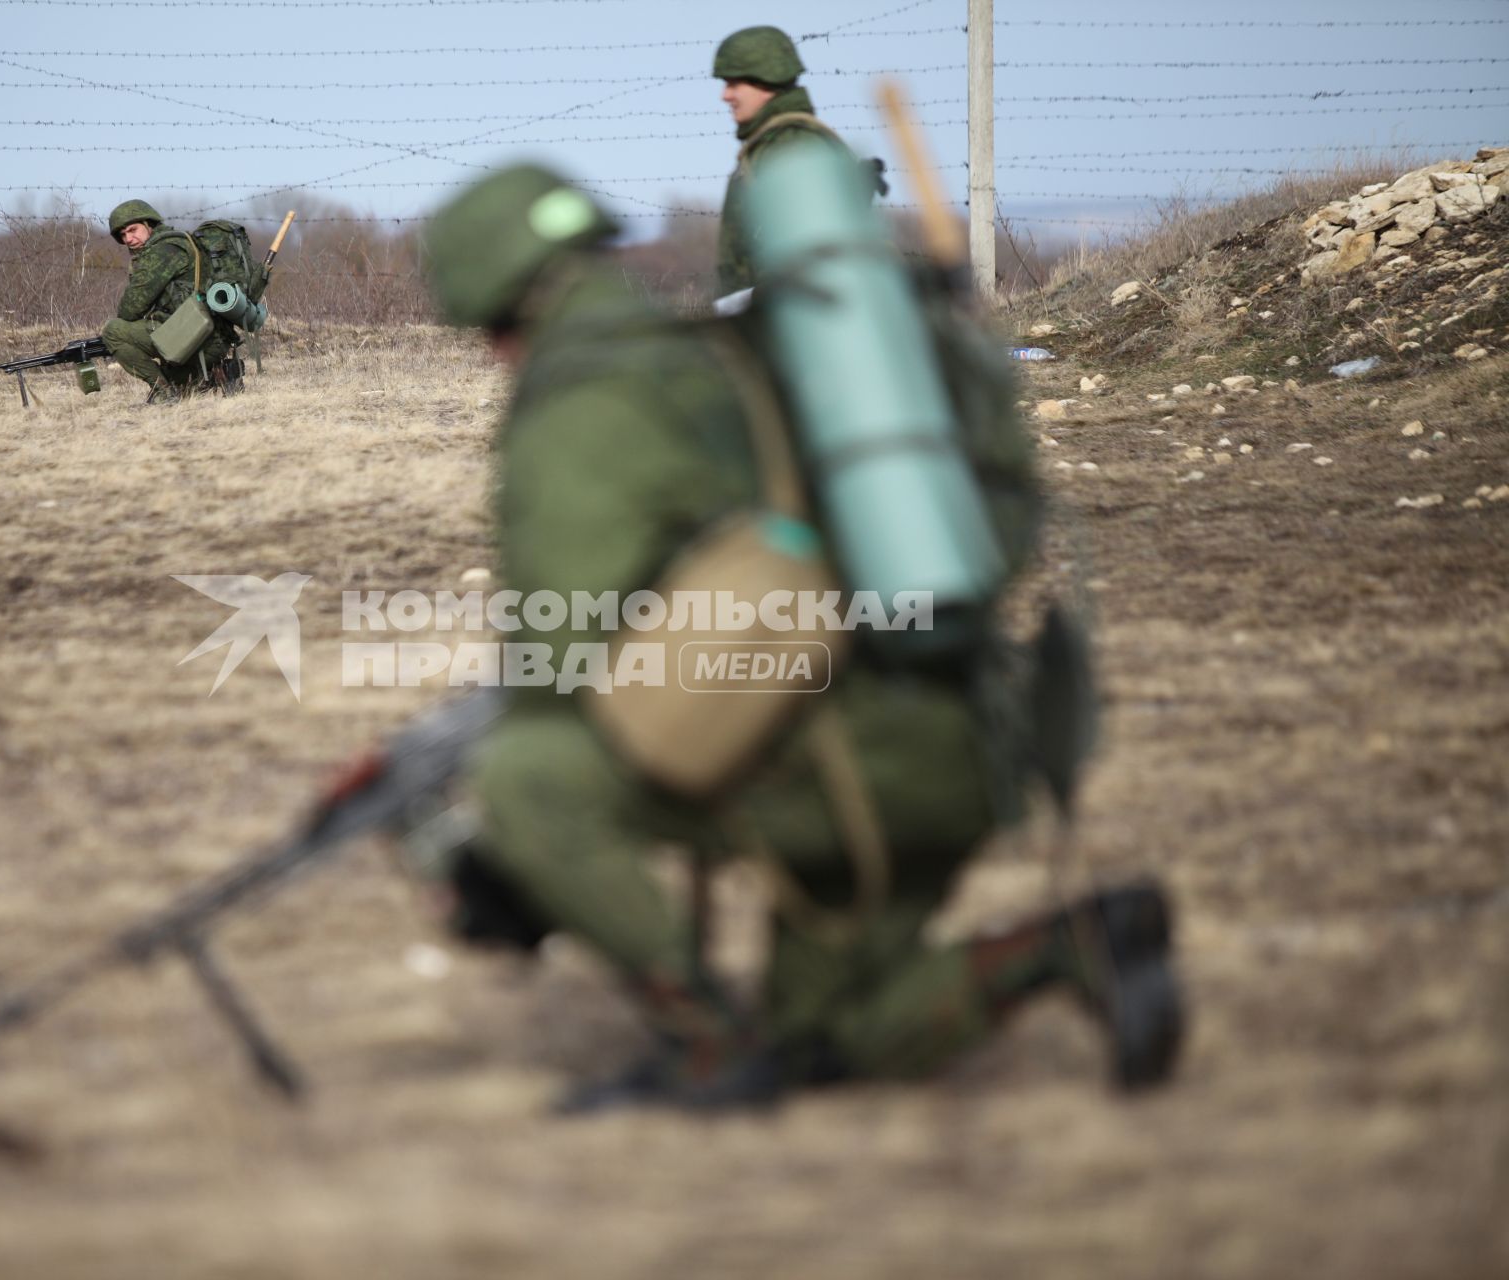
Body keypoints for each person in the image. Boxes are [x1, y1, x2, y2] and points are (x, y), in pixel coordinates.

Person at [420, 164, 1184, 1113]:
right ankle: (1081, 947)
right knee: (825, 1039)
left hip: (837, 765)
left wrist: (520, 857)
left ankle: (704, 1048)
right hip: (966, 729)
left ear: (499, 309)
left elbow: (562, 647)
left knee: (530, 776)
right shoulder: (727, 344)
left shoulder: (584, 400)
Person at [713, 25, 886, 297]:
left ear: (765, 82)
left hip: (790, 318)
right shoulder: (772, 143)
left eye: (735, 83)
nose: (725, 95)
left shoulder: (791, 146)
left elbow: (813, 258)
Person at [102, 199, 237, 404]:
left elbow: (129, 310)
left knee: (113, 332)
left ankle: (164, 393)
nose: (128, 239)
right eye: (123, 235)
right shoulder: (179, 241)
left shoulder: (161, 251)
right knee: (183, 387)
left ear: (150, 224)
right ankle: (214, 374)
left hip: (195, 339)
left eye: (133, 230)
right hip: (211, 337)